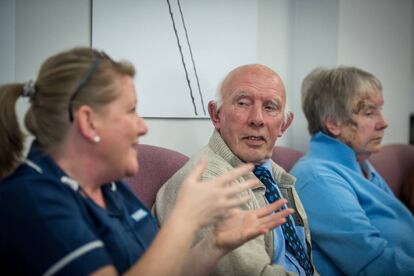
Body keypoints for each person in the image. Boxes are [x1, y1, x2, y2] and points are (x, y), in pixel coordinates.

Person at [0, 48, 294, 276]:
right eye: (131, 112)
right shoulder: (34, 200)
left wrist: (214, 244)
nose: (142, 127)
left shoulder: (110, 188)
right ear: (88, 122)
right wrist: (185, 220)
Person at [154, 64, 318, 276]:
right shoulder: (210, 183)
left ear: (284, 125)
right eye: (243, 103)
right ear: (216, 115)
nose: (257, 119)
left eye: (270, 107)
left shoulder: (271, 173)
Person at [290, 66, 414, 275]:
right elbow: (374, 264)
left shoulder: (361, 164)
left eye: (380, 109)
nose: (383, 123)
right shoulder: (318, 178)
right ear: (333, 123)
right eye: (369, 112)